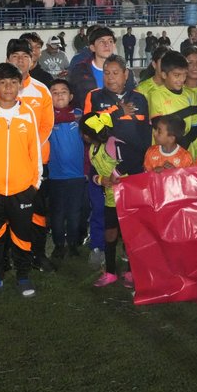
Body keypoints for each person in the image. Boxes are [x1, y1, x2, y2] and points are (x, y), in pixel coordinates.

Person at [0, 63, 42, 300]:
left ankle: (23, 276)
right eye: (3, 83)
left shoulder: (28, 114)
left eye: (13, 82)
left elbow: (35, 150)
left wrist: (34, 184)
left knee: (22, 237)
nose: (8, 87)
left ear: (20, 85)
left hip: (22, 189)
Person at [5, 38, 55, 272]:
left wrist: (30, 149)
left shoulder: (41, 89)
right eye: (15, 56)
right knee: (8, 211)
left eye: (25, 56)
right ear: (7, 59)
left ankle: (38, 254)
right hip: (7, 163)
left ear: (32, 60)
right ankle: (7, 256)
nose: (20, 60)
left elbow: (47, 125)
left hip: (36, 162)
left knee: (37, 211)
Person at [81, 112, 131, 288]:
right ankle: (110, 272)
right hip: (111, 199)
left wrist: (115, 173)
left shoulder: (113, 144)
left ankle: (131, 272)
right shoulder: (92, 150)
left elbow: (133, 159)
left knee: (129, 235)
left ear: (86, 135)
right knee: (110, 234)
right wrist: (101, 180)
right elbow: (94, 173)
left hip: (128, 197)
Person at [147, 50, 197, 155]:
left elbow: (195, 128)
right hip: (163, 150)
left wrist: (181, 147)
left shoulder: (191, 94)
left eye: (184, 74)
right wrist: (190, 110)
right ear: (164, 75)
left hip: (185, 150)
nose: (182, 79)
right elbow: (159, 124)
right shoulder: (156, 95)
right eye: (177, 75)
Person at [47, 79, 86, 260]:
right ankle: (59, 245)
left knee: (74, 212)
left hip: (77, 175)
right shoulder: (46, 117)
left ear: (70, 96)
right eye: (54, 92)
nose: (59, 95)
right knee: (57, 213)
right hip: (55, 176)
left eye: (63, 91)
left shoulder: (80, 115)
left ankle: (73, 244)